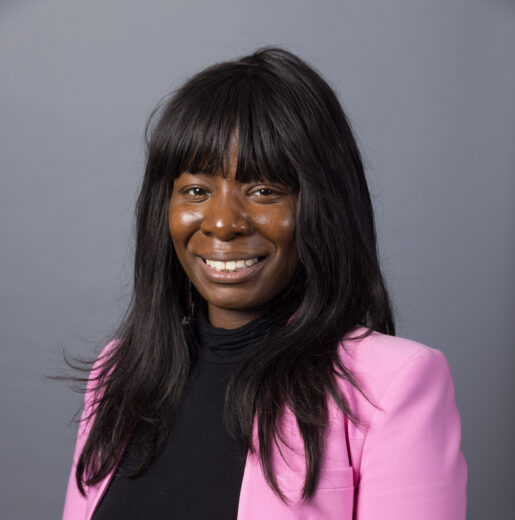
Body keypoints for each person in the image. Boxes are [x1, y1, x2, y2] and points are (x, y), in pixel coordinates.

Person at [61, 46, 468, 519]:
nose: (222, 223)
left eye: (263, 191)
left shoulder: (394, 385)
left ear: (323, 206)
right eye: (196, 190)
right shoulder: (119, 373)